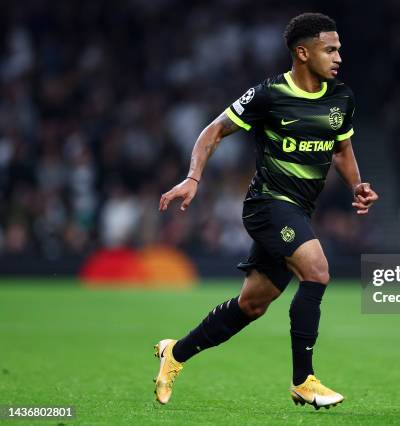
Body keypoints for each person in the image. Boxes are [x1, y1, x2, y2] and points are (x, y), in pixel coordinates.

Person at [155, 12, 378, 410]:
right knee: (318, 271)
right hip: (267, 206)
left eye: (339, 49)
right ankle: (303, 381)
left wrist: (357, 185)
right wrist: (193, 178)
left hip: (299, 211)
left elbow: (342, 148)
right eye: (330, 49)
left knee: (252, 305)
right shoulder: (269, 94)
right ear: (302, 52)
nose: (339, 56)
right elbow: (213, 132)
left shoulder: (341, 97)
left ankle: (175, 353)